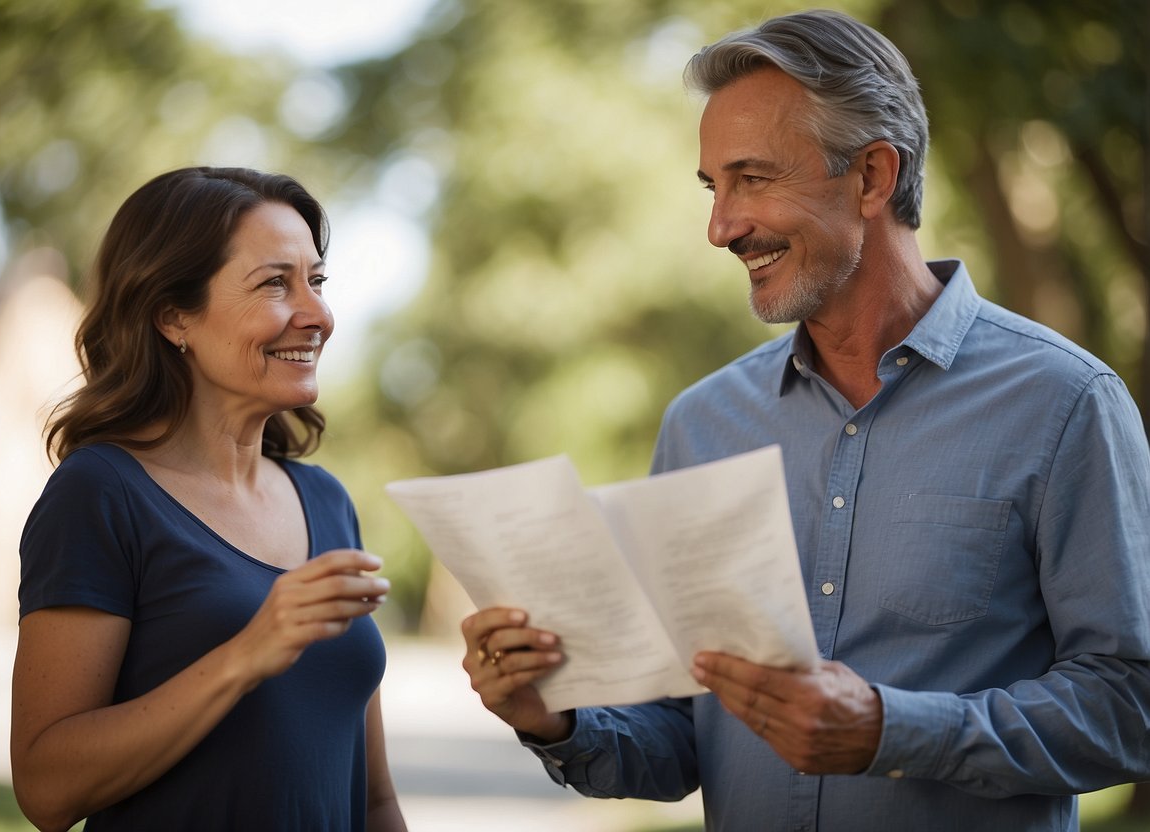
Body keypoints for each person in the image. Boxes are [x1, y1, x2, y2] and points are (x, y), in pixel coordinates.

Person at [459, 9, 1150, 831]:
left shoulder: (1063, 402)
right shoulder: (700, 425)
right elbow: (684, 735)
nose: (721, 227)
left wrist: (893, 732)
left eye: (752, 178)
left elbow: (1129, 705)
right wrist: (555, 718)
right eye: (714, 188)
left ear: (871, 177)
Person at [11, 167, 407, 832]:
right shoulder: (101, 494)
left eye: (317, 281)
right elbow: (46, 791)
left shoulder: (326, 501)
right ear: (172, 316)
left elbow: (371, 799)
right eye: (275, 283)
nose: (317, 315)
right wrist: (244, 656)